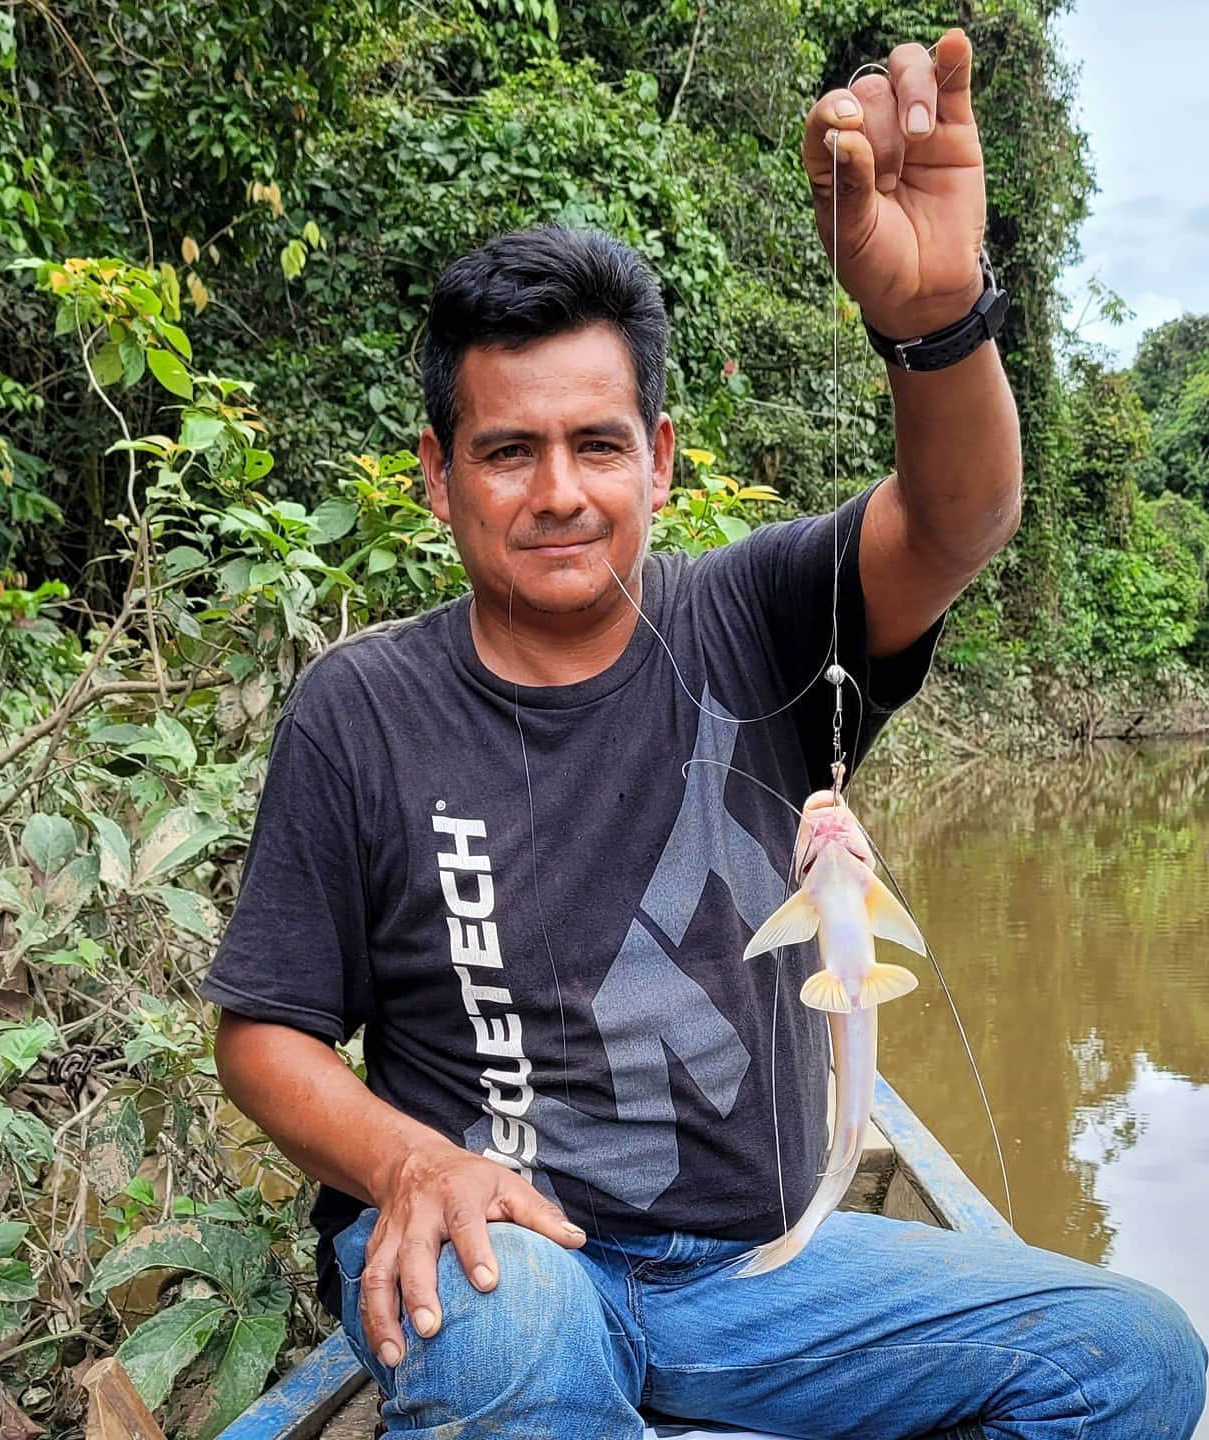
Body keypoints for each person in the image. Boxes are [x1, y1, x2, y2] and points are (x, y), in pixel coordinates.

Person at [203, 28, 1206, 1440]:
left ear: (660, 461)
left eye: (598, 444)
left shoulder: (759, 615)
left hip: (760, 1270)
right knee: (515, 1348)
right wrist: (410, 1163)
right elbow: (267, 1035)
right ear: (437, 477)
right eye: (507, 450)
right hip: (513, 1253)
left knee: (1134, 1356)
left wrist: (936, 324)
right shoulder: (361, 708)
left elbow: (958, 517)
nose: (559, 490)